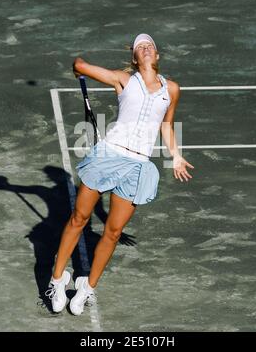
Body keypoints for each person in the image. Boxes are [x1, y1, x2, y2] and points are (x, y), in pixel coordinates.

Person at [45, 33, 195, 315]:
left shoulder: (171, 89)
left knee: (113, 232)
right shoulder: (123, 79)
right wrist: (77, 64)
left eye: (150, 46)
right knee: (79, 218)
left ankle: (86, 287)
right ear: (135, 58)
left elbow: (166, 126)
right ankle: (56, 279)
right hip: (108, 156)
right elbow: (80, 65)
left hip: (138, 166)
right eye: (141, 47)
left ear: (157, 56)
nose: (147, 48)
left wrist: (175, 155)